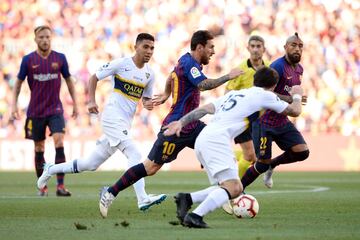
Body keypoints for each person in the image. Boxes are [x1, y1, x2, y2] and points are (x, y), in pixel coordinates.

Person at [98, 30, 244, 218]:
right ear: (200, 47)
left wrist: (167, 93)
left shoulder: (187, 61)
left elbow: (172, 75)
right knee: (150, 168)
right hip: (176, 126)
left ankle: (224, 192)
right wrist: (227, 76)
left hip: (193, 124)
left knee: (218, 147)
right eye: (211, 47)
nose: (213, 52)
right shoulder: (189, 63)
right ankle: (110, 192)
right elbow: (203, 85)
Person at [37, 33, 166, 211]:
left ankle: (50, 169)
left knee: (90, 164)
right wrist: (91, 100)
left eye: (152, 48)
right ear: (135, 47)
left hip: (124, 123)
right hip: (112, 117)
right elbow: (94, 77)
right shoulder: (122, 64)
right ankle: (142, 198)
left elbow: (145, 99)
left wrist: (149, 104)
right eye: (145, 47)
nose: (149, 51)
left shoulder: (149, 75)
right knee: (134, 154)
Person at [163, 66, 303, 228]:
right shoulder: (266, 96)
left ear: (255, 80)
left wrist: (181, 122)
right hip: (217, 141)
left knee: (224, 187)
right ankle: (195, 216)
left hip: (204, 138)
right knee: (235, 188)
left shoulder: (235, 94)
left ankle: (187, 199)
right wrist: (297, 94)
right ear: (273, 85)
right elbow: (295, 111)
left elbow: (204, 109)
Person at [10, 25, 78, 197]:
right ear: (35, 39)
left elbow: (69, 80)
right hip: (35, 111)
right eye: (41, 37)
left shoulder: (60, 58)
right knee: (39, 147)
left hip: (55, 109)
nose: (45, 40)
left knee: (59, 142)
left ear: (51, 38)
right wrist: (13, 105)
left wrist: (76, 104)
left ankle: (61, 186)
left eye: (47, 37)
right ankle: (43, 187)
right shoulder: (28, 60)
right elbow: (18, 83)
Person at [241, 33, 309, 192]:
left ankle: (273, 164)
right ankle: (235, 190)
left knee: (302, 152)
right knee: (261, 164)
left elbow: (291, 95)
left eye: (300, 46)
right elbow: (263, 92)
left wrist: (293, 99)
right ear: (285, 47)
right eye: (293, 45)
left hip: (282, 121)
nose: (297, 49)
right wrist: (290, 99)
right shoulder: (277, 66)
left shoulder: (299, 69)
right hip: (264, 122)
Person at [224, 35, 270, 177]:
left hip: (259, 119)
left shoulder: (269, 67)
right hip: (242, 118)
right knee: (250, 156)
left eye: (258, 46)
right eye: (253, 46)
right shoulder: (240, 69)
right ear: (248, 48)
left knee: (254, 157)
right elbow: (227, 91)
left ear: (264, 49)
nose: (255, 49)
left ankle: (228, 156)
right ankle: (234, 188)